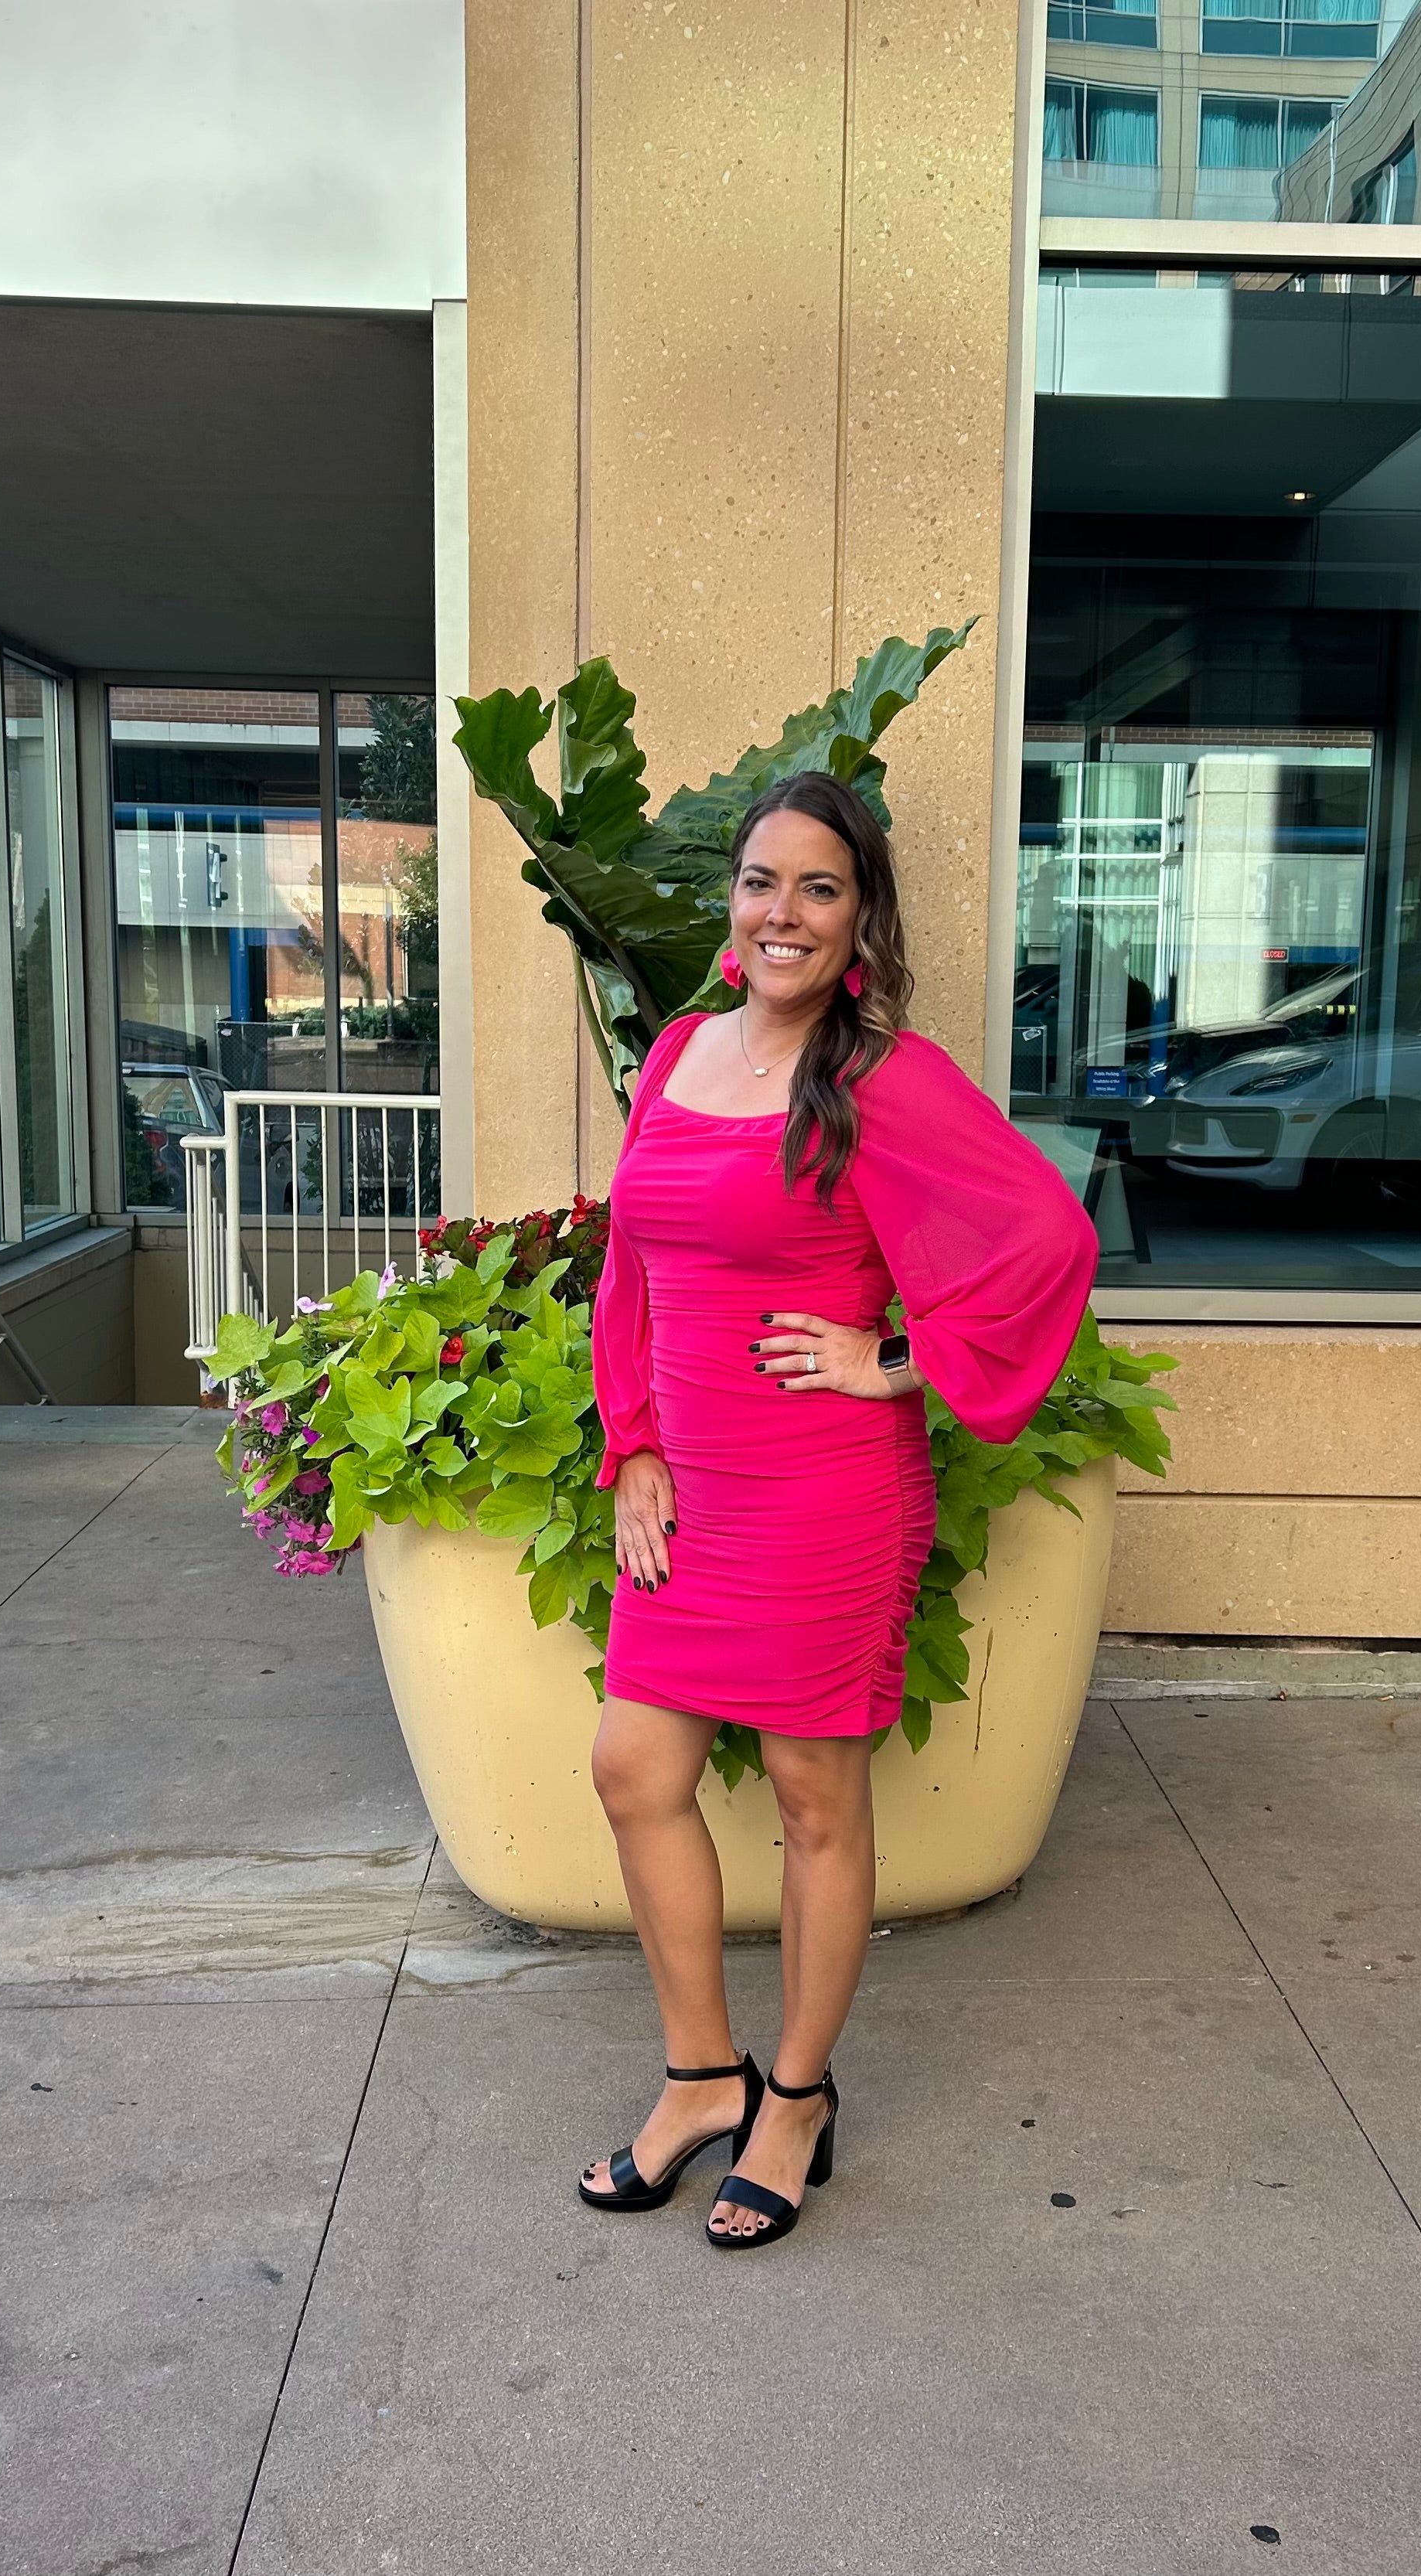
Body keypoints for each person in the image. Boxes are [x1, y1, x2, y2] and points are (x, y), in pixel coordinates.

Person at [578, 770, 1097, 2247]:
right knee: (633, 1771)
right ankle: (701, 2080)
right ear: (731, 900)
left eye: (820, 887)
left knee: (814, 1798)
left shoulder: (881, 1076)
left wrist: (895, 1360)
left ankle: (795, 2101)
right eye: (762, 881)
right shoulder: (679, 1051)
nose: (783, 913)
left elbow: (1045, 1240)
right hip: (695, 1490)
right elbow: (634, 1272)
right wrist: (635, 1447)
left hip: (824, 1494)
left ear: (860, 913)